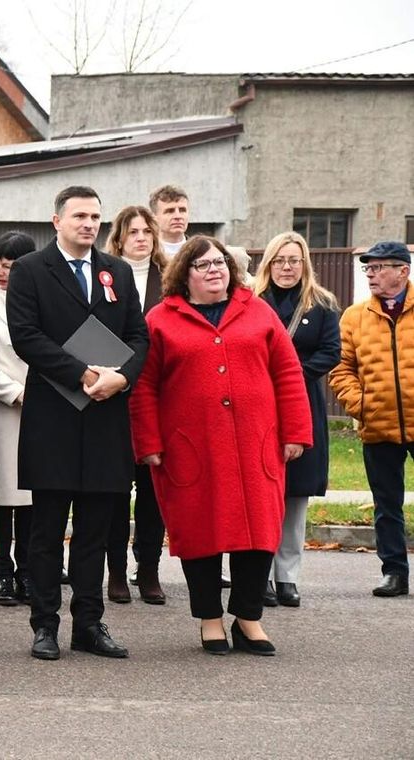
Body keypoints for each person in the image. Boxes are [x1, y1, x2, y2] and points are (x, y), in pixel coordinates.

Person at [130, 235, 311, 655]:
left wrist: (296, 433)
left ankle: (248, 619)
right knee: (199, 531)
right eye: (203, 265)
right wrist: (149, 442)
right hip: (190, 446)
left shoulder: (258, 311)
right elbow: (144, 388)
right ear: (184, 275)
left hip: (256, 443)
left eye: (220, 263)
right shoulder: (160, 319)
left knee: (260, 530)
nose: (215, 270)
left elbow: (287, 373)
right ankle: (210, 619)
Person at [6, 185, 149, 661]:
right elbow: (26, 335)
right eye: (80, 216)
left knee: (97, 529)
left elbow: (138, 336)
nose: (89, 224)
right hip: (55, 414)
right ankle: (44, 624)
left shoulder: (118, 271)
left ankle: (89, 623)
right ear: (57, 221)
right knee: (46, 531)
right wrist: (81, 372)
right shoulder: (30, 270)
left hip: (106, 416)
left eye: (95, 217)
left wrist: (121, 378)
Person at [252, 232, 341, 607]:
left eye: (294, 260)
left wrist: (291, 374)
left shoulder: (321, 303)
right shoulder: (252, 303)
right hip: (259, 405)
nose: (287, 268)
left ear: (304, 264)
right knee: (261, 492)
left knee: (296, 495)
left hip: (302, 401)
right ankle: (259, 576)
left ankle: (287, 577)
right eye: (279, 260)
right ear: (268, 264)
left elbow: (331, 351)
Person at [329, 240, 414, 598]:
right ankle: (394, 572)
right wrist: (360, 404)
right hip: (377, 423)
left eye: (379, 268)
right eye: (368, 268)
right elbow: (340, 367)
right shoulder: (354, 315)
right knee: (386, 504)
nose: (371, 274)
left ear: (403, 271)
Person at [102, 206, 168, 605]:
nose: (141, 237)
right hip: (114, 394)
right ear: (120, 238)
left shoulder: (170, 277)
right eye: (133, 231)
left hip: (158, 396)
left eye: (147, 231)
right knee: (113, 491)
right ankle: (115, 572)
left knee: (152, 491)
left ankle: (150, 570)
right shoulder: (106, 273)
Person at [0, 232, 36, 606]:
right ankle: (1, 571)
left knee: (33, 495)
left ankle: (29, 571)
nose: (3, 273)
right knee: (1, 496)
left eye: (11, 267)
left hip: (42, 405)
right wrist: (14, 391)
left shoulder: (39, 295)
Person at [149, 184, 189, 257]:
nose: (178, 216)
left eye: (182, 210)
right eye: (170, 211)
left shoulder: (200, 252)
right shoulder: (146, 254)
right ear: (154, 217)